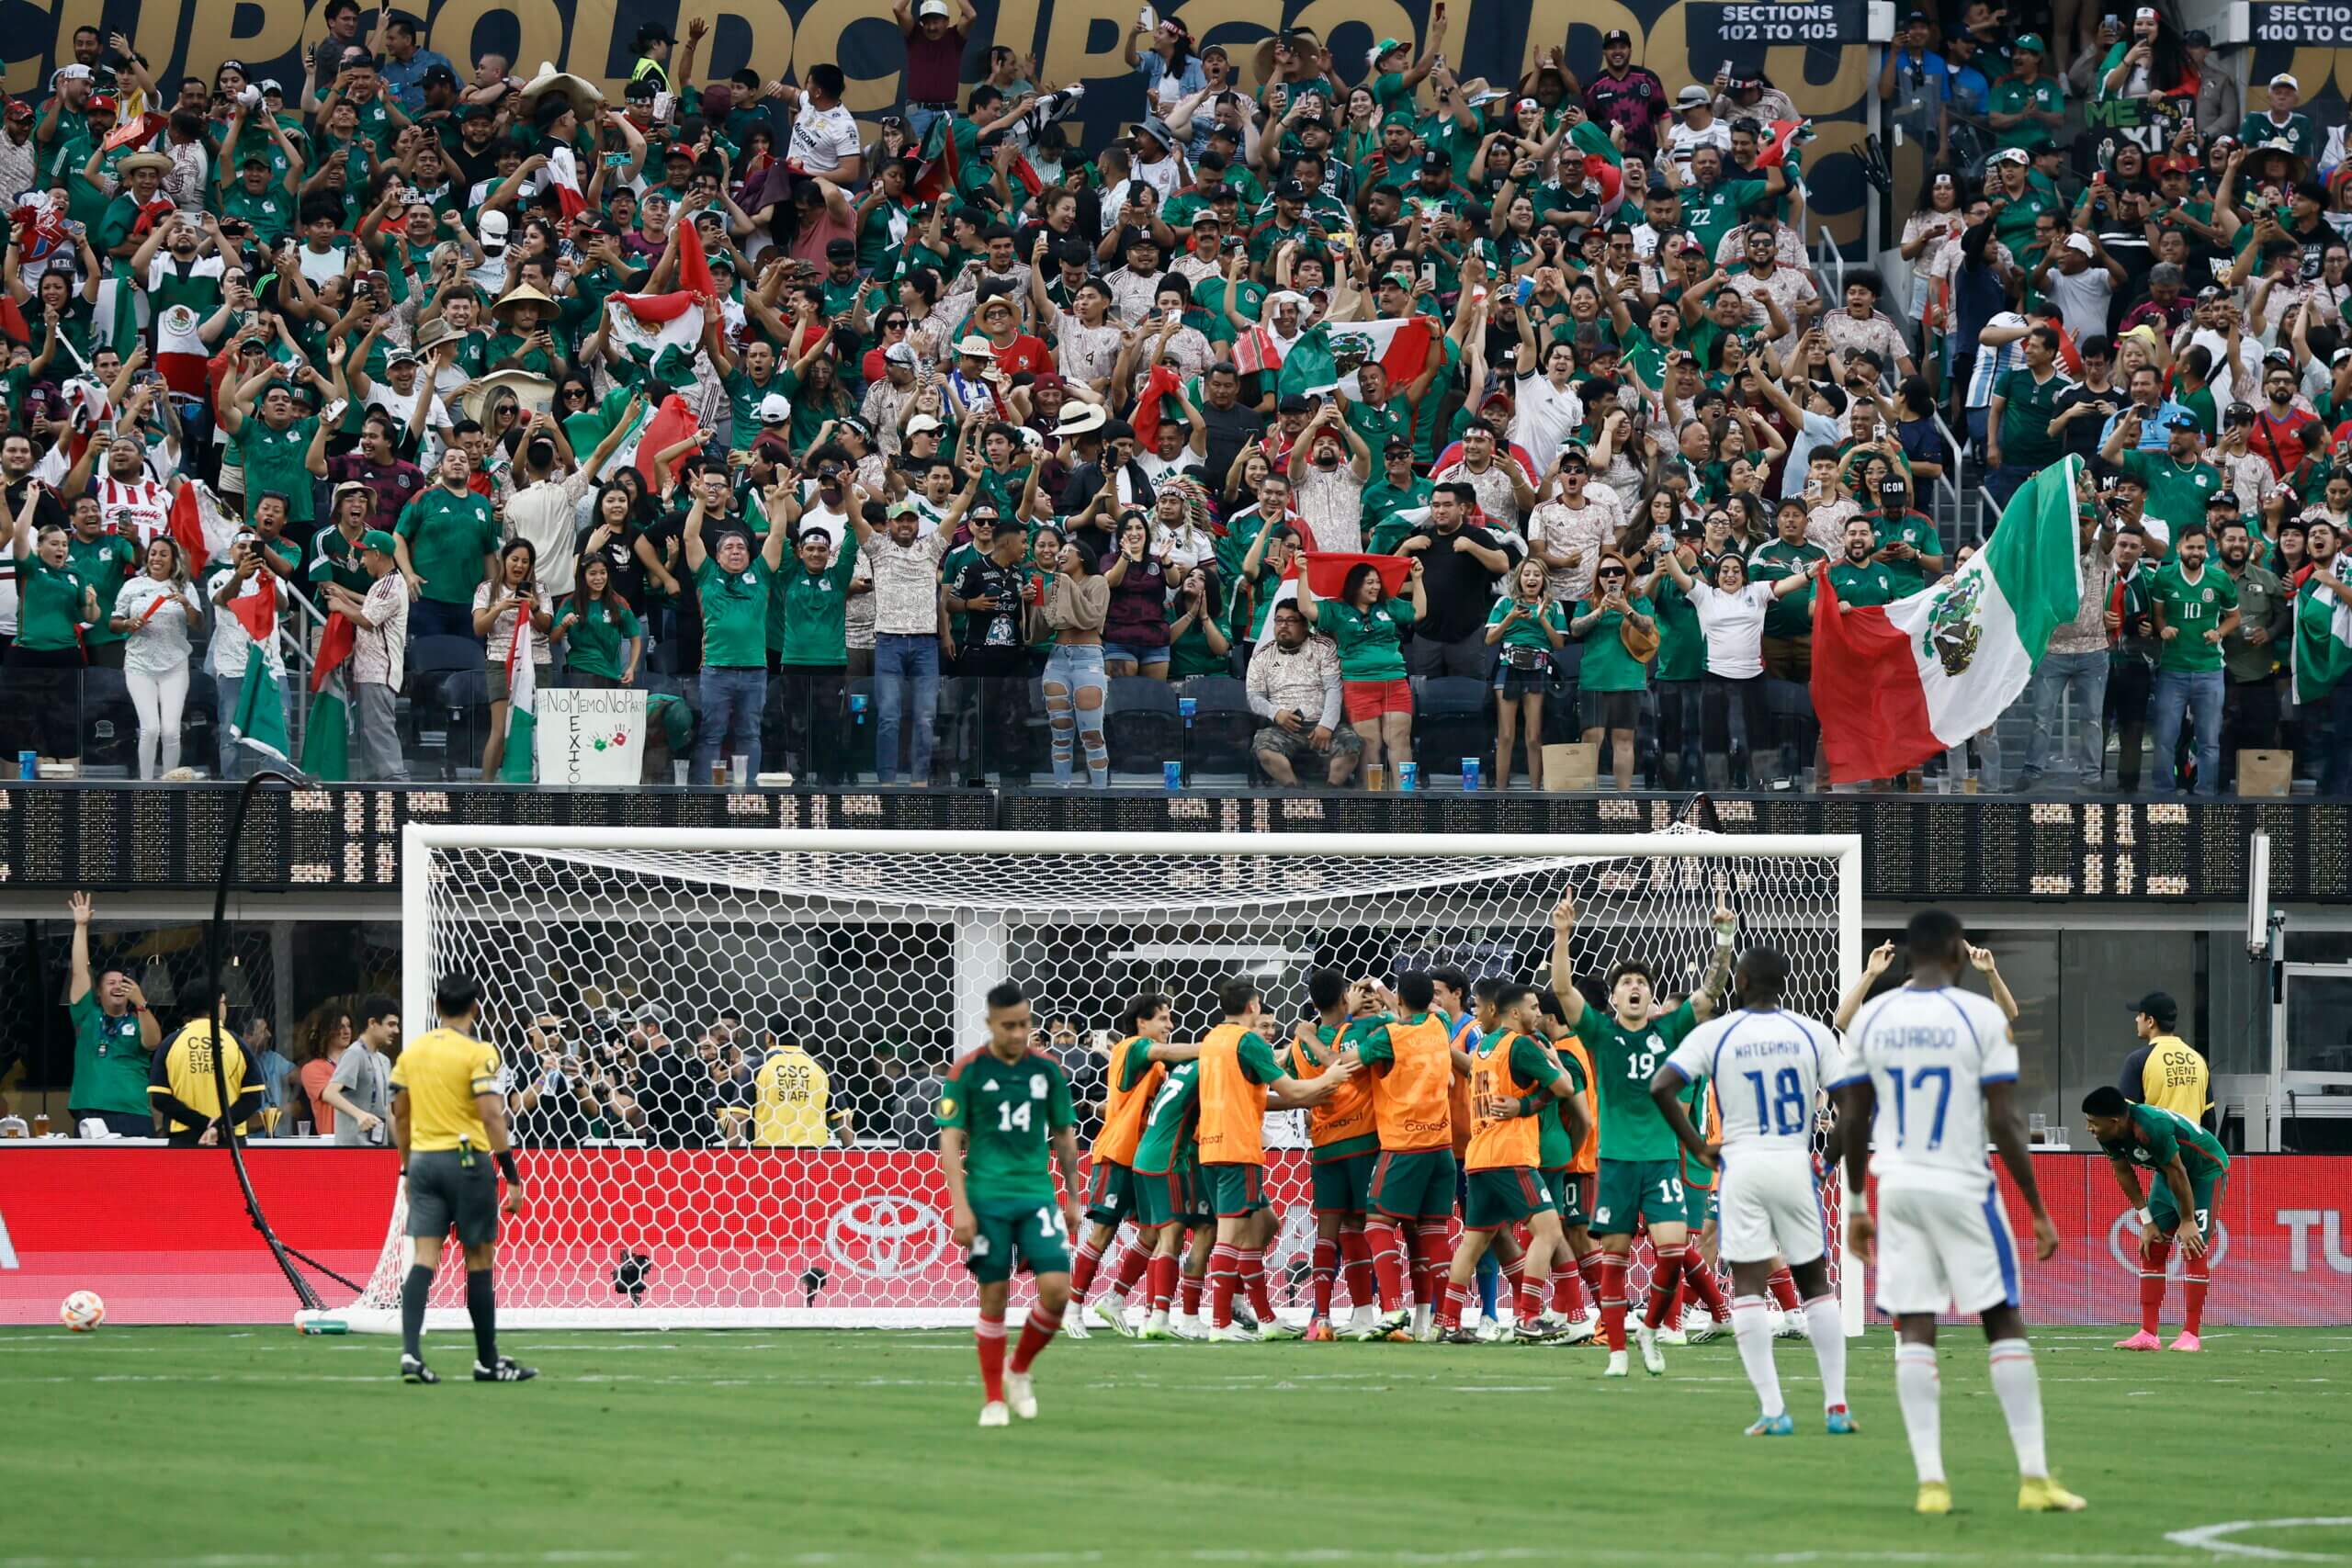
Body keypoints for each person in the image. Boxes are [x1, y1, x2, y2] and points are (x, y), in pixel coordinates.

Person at [1836, 908, 2084, 1515]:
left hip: (1896, 1186)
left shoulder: (1873, 1016)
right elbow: (2004, 1117)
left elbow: (1852, 1117)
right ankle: (2032, 1478)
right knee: (2002, 1317)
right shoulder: (1980, 1015)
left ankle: (1931, 1485)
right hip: (1964, 1183)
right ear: (1954, 952)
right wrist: (2037, 1207)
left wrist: (1859, 1201)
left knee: (1915, 1324)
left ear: (1901, 957)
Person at [1650, 947, 1853, 1434]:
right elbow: (1855, 1105)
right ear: (1786, 982)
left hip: (1740, 1163)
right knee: (1815, 1285)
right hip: (1792, 1161)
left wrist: (1698, 1146)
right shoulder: (1813, 1032)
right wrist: (1826, 1164)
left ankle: (1773, 1410)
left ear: (1739, 981)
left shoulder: (1717, 1033)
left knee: (1747, 1284)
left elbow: (1661, 1085)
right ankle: (1837, 1406)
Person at [1552, 889, 1735, 1376]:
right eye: (1626, 982)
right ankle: (1617, 1352)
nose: (1634, 988)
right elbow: (1564, 990)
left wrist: (1723, 937)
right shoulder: (1600, 1033)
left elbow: (1710, 992)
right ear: (1613, 996)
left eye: (1641, 983)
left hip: (1659, 1161)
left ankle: (1650, 1327)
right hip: (1614, 1161)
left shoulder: (1669, 1029)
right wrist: (1562, 934)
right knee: (1613, 1252)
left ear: (1650, 996)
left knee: (1674, 1251)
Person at [936, 979, 1085, 1427]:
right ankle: (993, 1399)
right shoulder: (968, 1072)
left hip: (1037, 1194)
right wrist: (961, 1208)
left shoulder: (1047, 1071)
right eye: (1009, 1026)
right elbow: (948, 1141)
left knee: (1058, 1291)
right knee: (995, 1295)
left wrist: (1074, 1196)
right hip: (987, 1198)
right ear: (990, 1024)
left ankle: (1019, 1369)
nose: (1019, 1034)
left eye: (1024, 1024)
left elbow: (1064, 1134)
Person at [390, 973, 533, 1385]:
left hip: (423, 1163)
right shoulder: (480, 1052)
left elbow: (401, 1113)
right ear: (475, 1008)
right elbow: (491, 1114)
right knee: (479, 1259)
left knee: (423, 1259)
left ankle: (411, 1355)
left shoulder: (411, 1053)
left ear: (436, 1008)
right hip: (467, 1163)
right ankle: (487, 1361)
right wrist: (511, 1174)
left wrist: (405, 1166)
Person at [1195, 976, 1355, 1342]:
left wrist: (1308, 1096)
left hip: (1211, 1146)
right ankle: (1221, 1322)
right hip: (1237, 1147)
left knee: (1265, 1223)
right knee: (1231, 1236)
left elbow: (1263, 1098)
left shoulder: (1211, 1040)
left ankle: (1266, 1318)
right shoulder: (1248, 1041)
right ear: (1252, 1006)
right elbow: (1292, 1088)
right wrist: (1329, 1078)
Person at [1437, 983, 1589, 1344]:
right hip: (1512, 1157)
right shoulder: (1522, 1045)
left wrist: (1525, 1102)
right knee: (1550, 1232)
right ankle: (1529, 1317)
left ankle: (1450, 1322)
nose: (1540, 1013)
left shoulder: (1486, 1046)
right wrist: (1552, 1059)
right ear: (1516, 1013)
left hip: (1479, 1156)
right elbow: (1565, 1088)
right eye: (1534, 1007)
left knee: (1473, 1243)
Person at [1069, 994, 1200, 1337]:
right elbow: (1167, 1052)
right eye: (1163, 1018)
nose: (1170, 1025)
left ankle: (1115, 1298)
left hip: (1146, 1158)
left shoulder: (1156, 1066)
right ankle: (1071, 1308)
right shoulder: (1131, 1047)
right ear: (1142, 1022)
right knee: (1103, 1232)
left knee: (1154, 1233)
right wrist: (1217, 1047)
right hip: (1117, 1154)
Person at [2084, 1084, 2230, 1353]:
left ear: (2114, 1121)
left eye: (2093, 1123)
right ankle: (2148, 1334)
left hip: (2204, 1172)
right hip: (2168, 1174)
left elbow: (2178, 1171)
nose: (2089, 1128)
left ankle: (2191, 1335)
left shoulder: (2151, 1128)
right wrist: (2146, 1221)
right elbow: (2124, 1173)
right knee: (2153, 1246)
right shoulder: (2109, 1133)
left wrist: (2187, 1221)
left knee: (2193, 1246)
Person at [684, 482, 792, 784]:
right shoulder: (707, 573)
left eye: (741, 547)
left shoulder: (759, 574)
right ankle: (708, 792)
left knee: (749, 734)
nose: (735, 551)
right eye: (728, 547)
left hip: (754, 671)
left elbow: (778, 536)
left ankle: (748, 792)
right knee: (711, 733)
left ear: (749, 555)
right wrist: (700, 502)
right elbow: (690, 536)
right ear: (717, 556)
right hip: (716, 670)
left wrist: (779, 502)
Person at [1296, 558, 1425, 784]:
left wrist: (1417, 579)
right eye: (1369, 582)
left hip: (1394, 683)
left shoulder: (1388, 605)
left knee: (1399, 740)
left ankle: (1406, 801)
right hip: (1359, 686)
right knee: (1370, 744)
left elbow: (1418, 613)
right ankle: (1371, 805)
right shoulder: (1337, 609)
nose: (1375, 586)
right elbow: (1307, 608)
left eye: (1377, 582)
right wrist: (1303, 572)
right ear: (1355, 585)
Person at [2145, 526, 2238, 795]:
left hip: (2210, 670)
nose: (2196, 553)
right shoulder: (2164, 576)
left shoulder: (2219, 578)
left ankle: (2206, 792)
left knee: (2209, 739)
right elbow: (2158, 615)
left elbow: (2234, 617)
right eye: (2190, 547)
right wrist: (2162, 628)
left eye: (2200, 547)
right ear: (2179, 548)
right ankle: (2162, 791)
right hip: (2172, 670)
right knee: (2164, 737)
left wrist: (2219, 632)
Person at [65, 892, 159, 1137]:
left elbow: (152, 1042)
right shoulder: (87, 1014)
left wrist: (141, 1004)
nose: (118, 986)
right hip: (92, 1111)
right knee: (90, 1176)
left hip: (135, 1113)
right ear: (98, 992)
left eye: (123, 982)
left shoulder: (139, 1018)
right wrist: (81, 926)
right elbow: (79, 972)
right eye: (110, 983)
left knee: (137, 1176)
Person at [108, 536, 204, 778]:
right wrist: (128, 623)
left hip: (175, 665)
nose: (156, 558)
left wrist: (185, 604)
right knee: (150, 729)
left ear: (173, 560)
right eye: (153, 553)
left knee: (171, 731)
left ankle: (169, 784)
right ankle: (146, 785)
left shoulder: (185, 588)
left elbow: (199, 624)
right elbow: (113, 623)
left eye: (163, 554)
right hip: (139, 663)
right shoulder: (132, 586)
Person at [1484, 558, 1566, 789]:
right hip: (1508, 666)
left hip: (1538, 668)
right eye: (1527, 574)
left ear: (1543, 580)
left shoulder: (1553, 606)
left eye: (1536, 575)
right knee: (1506, 734)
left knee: (1533, 735)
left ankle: (1534, 791)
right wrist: (1510, 618)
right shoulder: (1504, 603)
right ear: (1519, 578)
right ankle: (1500, 793)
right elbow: (1490, 639)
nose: (1531, 578)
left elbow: (1559, 644)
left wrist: (1541, 619)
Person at [147, 992, 264, 1147]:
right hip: (230, 1139)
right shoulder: (237, 1044)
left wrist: (203, 1123)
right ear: (215, 1006)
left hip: (184, 1140)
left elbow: (160, 1099)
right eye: (223, 1002)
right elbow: (253, 1098)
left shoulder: (170, 1044)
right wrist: (218, 1126)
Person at [2116, 989, 2211, 1124]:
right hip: (2192, 1145)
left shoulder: (2137, 1061)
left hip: (2157, 1145)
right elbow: (2209, 1119)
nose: (2136, 1019)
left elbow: (2124, 1117)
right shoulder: (2198, 1060)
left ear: (2150, 1021)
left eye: (2140, 1015)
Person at [324, 995, 396, 1146]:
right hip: (354, 1153)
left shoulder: (384, 1061)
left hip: (377, 1151)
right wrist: (359, 1115)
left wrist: (406, 1152)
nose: (396, 1030)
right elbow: (329, 1093)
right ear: (372, 1023)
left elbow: (388, 1114)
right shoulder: (355, 1053)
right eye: (391, 1024)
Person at [750, 1032, 833, 1147]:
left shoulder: (757, 1065)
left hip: (769, 1152)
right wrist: (849, 1160)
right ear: (798, 1035)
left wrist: (729, 1155)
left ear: (768, 1037)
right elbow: (843, 1115)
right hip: (814, 1153)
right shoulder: (818, 1066)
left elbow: (739, 1116)